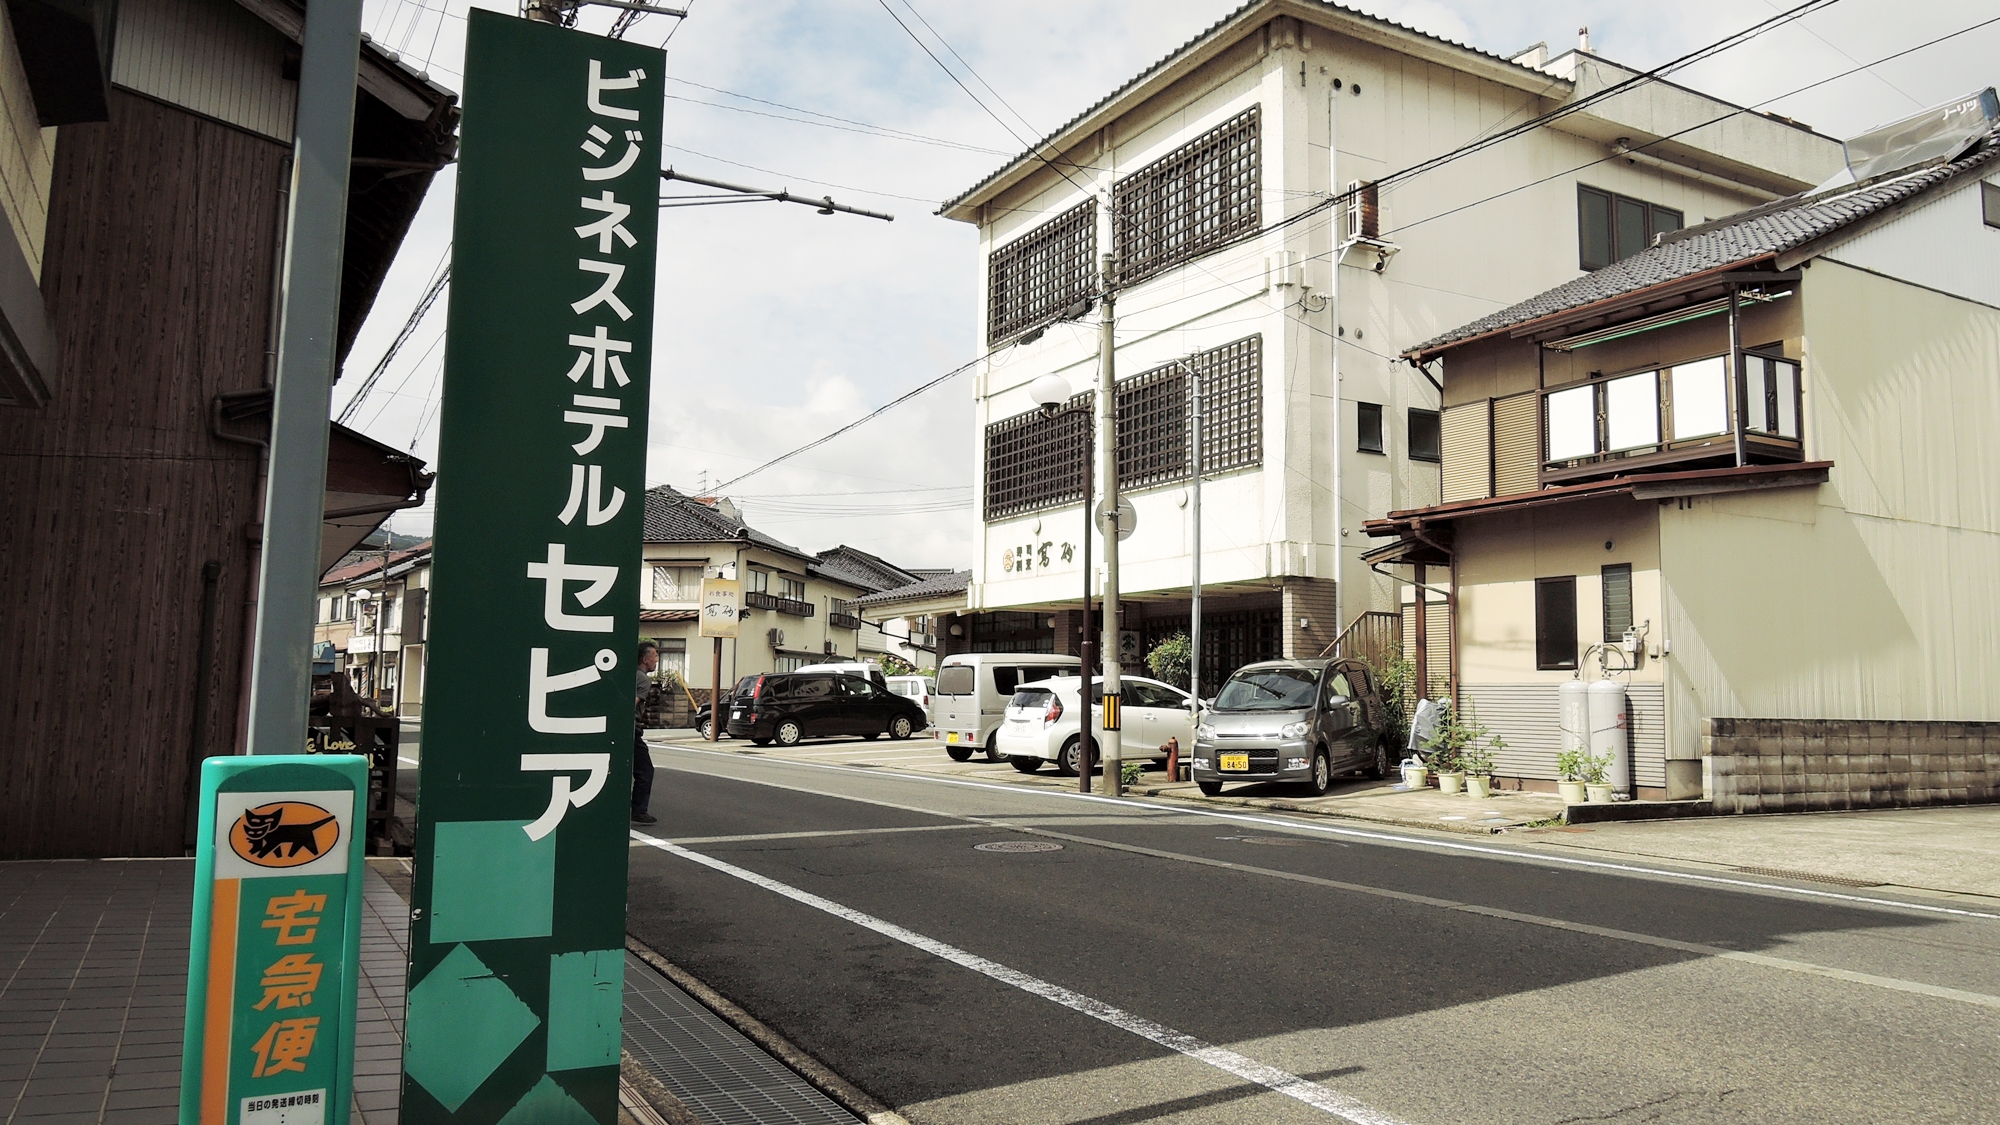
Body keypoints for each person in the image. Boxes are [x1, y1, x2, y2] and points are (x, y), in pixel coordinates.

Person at [632, 641, 659, 824]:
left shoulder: (630, 674)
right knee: (645, 770)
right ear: (645, 659)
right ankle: (639, 809)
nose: (656, 660)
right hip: (630, 730)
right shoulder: (643, 679)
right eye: (655, 656)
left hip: (621, 730)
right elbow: (631, 704)